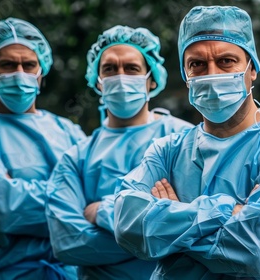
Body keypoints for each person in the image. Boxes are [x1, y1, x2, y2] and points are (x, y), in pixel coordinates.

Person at [112, 6, 260, 279]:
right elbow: (126, 222)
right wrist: (226, 210)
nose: (211, 74)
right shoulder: (168, 150)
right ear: (186, 75)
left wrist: (171, 221)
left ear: (252, 69)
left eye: (227, 61)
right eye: (197, 64)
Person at [45, 25, 193, 279]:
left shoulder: (184, 140)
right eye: (110, 69)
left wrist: (102, 210)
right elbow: (67, 243)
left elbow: (195, 225)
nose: (120, 77)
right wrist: (160, 234)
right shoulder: (77, 156)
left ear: (152, 78)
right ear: (98, 82)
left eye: (132, 68)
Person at [0, 18, 85, 279]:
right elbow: (1, 209)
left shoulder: (67, 130)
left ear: (41, 70)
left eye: (29, 65)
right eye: (8, 65)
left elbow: (97, 193)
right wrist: (73, 199)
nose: (20, 73)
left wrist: (18, 189)